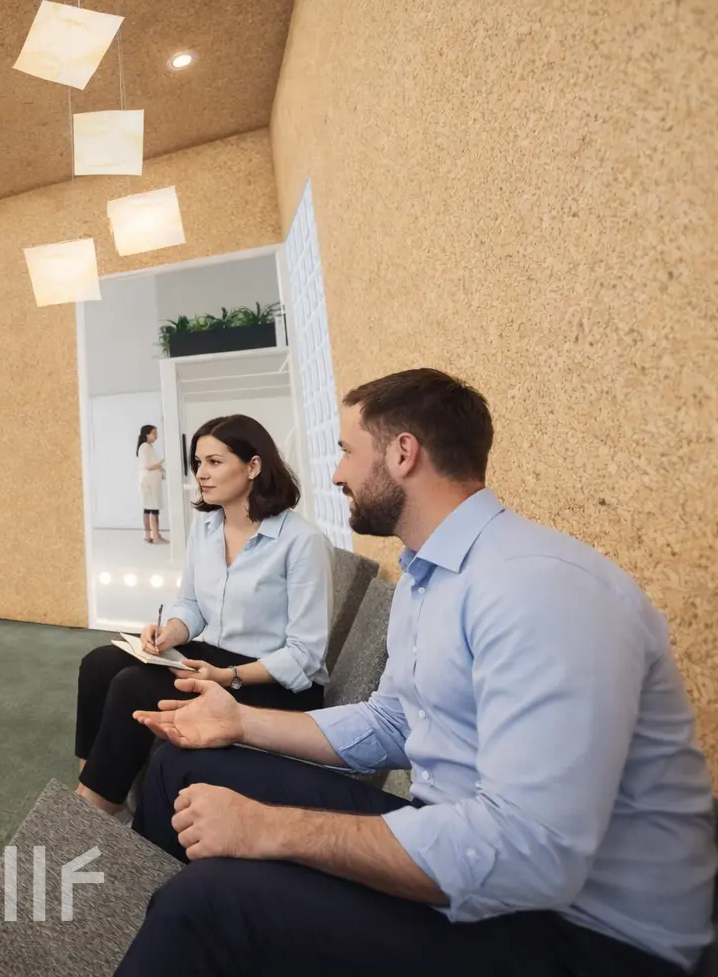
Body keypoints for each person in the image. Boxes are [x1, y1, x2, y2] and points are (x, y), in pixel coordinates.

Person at [120, 368, 716, 976]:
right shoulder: (428, 574)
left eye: (347, 451)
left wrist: (267, 828)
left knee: (207, 903)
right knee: (183, 764)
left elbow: (529, 857)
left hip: (585, 933)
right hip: (464, 835)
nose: (337, 474)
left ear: (403, 453)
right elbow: (394, 721)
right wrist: (241, 722)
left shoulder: (540, 589)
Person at [75, 414, 332, 816]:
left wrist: (227, 676)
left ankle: (92, 812)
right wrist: (171, 633)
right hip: (216, 656)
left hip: (277, 682)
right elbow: (191, 604)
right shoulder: (206, 527)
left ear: (253, 466)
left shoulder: (302, 542)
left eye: (214, 462)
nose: (201, 474)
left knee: (132, 685)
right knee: (98, 664)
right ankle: (90, 790)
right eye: (198, 463)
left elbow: (306, 655)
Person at [136, 424, 167, 543]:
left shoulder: (148, 446)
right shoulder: (144, 447)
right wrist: (162, 462)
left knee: (149, 508)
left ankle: (150, 535)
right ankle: (155, 536)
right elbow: (147, 466)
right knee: (152, 509)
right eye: (154, 433)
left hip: (150, 481)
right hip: (148, 482)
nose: (156, 435)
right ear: (147, 434)